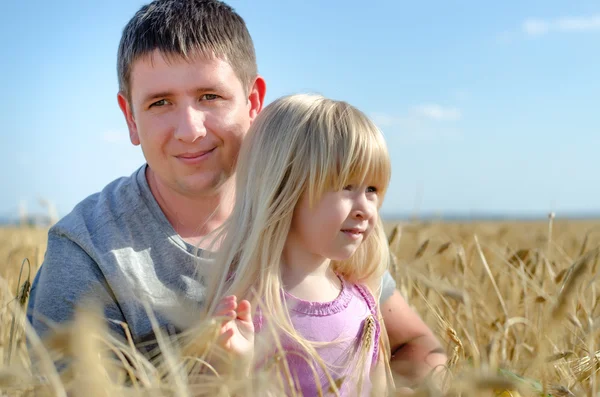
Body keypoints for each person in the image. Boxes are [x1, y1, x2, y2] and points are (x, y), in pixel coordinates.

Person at [26, 0, 446, 388]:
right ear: (130, 118)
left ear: (253, 101)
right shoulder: (86, 253)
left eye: (210, 96)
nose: (190, 129)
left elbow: (416, 347)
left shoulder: (310, 212)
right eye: (160, 103)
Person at [204, 93, 394, 396]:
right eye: (345, 186)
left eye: (372, 189)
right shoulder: (247, 310)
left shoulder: (365, 304)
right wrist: (236, 369)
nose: (365, 208)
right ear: (283, 187)